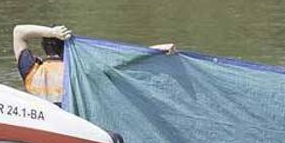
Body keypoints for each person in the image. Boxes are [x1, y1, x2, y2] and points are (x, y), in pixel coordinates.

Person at [13, 24, 176, 105]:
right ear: (69, 47)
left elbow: (19, 31)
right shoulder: (82, 71)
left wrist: (51, 32)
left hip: (43, 123)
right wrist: (157, 50)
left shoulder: (32, 71)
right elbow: (125, 61)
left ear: (43, 47)